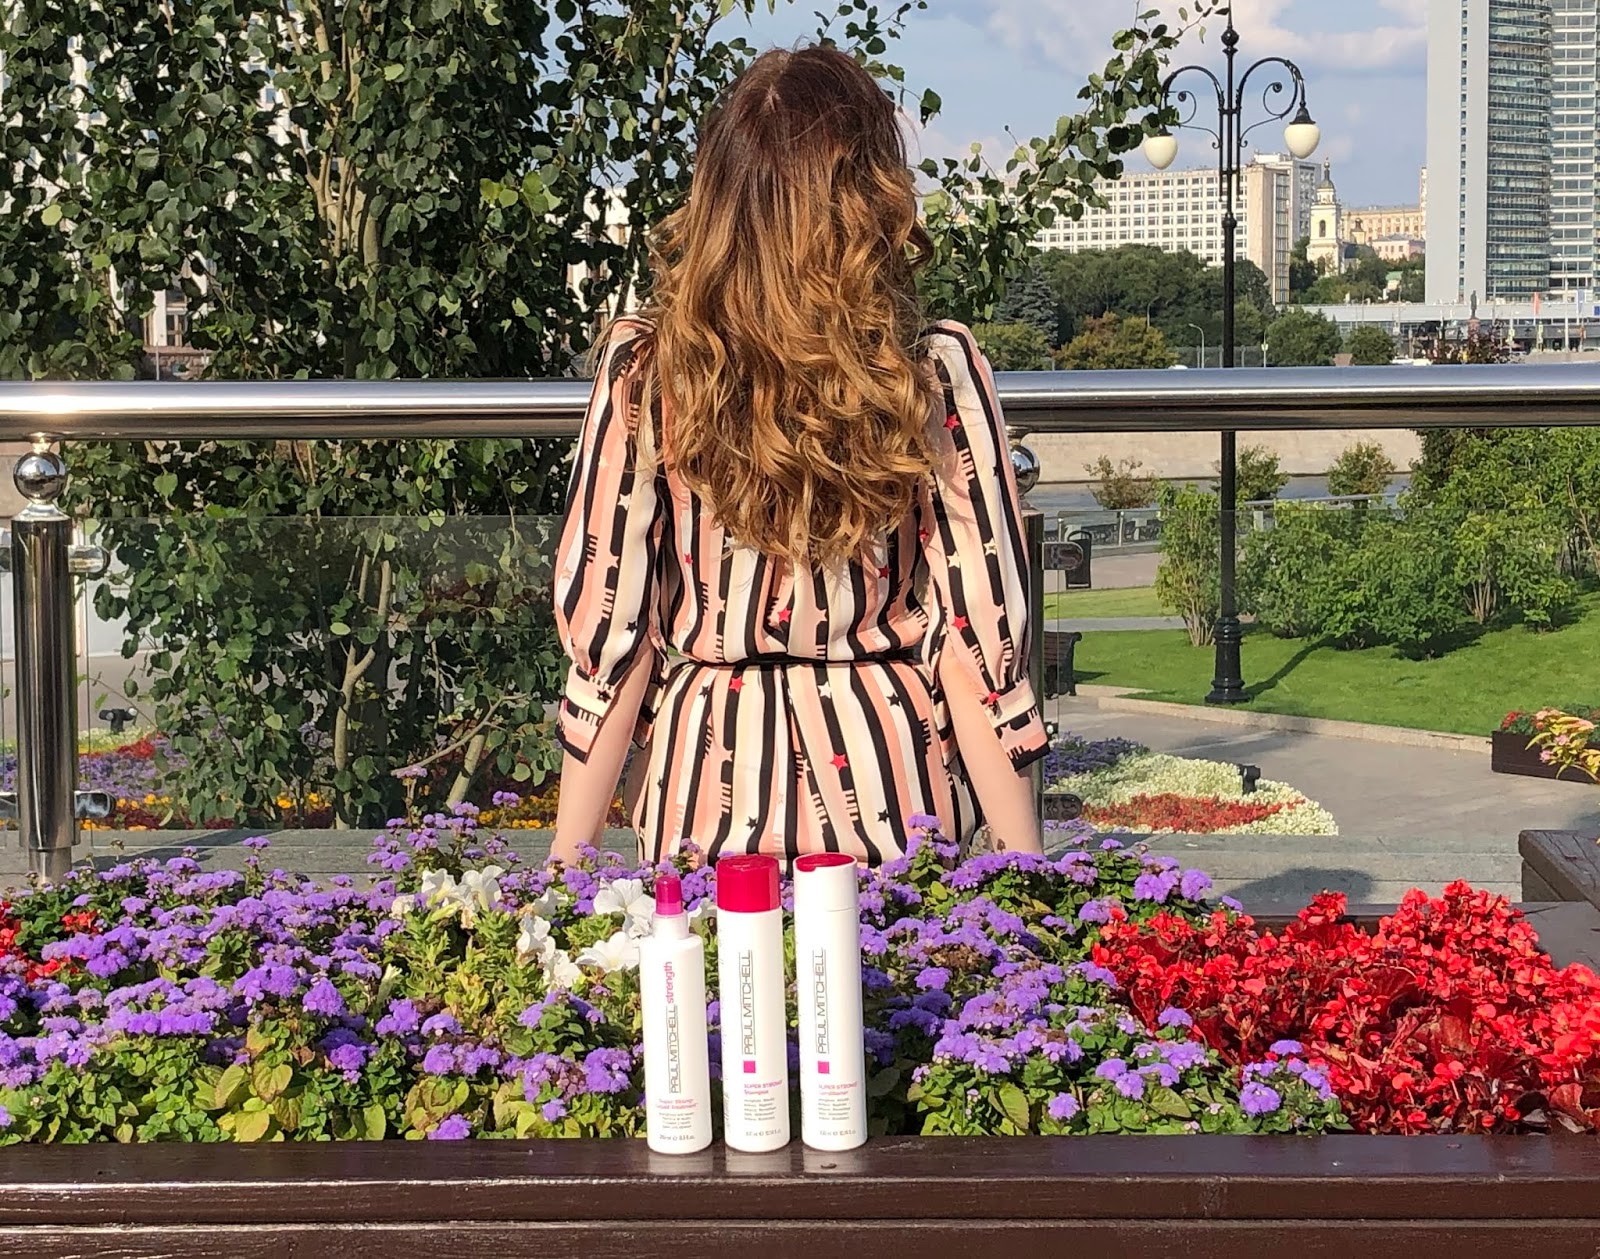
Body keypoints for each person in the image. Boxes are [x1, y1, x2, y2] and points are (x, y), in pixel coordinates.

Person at [550, 45, 1045, 867]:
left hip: (703, 808)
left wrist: (565, 873)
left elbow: (613, 641)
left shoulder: (651, 373)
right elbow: (975, 641)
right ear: (872, 197)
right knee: (904, 953)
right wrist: (1028, 888)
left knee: (704, 954)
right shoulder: (930, 374)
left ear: (720, 196)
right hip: (892, 809)